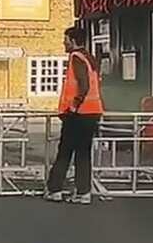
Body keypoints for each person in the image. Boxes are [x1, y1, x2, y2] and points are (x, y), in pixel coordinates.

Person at [45, 26, 105, 205]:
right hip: (93, 112)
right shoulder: (89, 58)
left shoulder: (75, 58)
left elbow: (83, 85)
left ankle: (55, 189)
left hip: (78, 114)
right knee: (83, 154)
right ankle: (83, 192)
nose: (63, 43)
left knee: (64, 152)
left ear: (73, 40)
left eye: (66, 40)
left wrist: (73, 106)